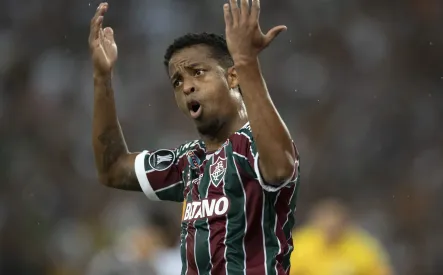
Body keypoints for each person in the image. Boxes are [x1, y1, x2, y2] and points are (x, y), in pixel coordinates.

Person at [88, 1, 300, 274]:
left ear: (233, 77)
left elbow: (282, 166)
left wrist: (247, 61)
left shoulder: (255, 143)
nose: (187, 86)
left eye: (198, 72)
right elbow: (112, 169)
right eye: (177, 81)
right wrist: (102, 78)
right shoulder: (189, 161)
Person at [290, 199, 392, 275]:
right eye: (325, 222)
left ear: (344, 223)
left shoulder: (363, 247)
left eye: (335, 224)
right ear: (315, 222)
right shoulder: (298, 245)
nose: (330, 229)